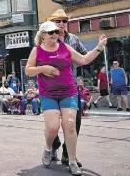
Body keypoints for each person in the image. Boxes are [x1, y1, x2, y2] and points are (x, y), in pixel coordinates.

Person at [25, 21, 106, 175]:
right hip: (48, 93)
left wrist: (99, 47)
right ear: (42, 35)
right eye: (51, 32)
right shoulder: (37, 51)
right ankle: (48, 148)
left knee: (69, 125)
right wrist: (43, 68)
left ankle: (72, 160)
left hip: (69, 91)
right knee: (53, 127)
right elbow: (28, 70)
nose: (55, 34)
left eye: (56, 32)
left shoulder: (64, 47)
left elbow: (83, 60)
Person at [47, 9, 88, 167]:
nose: (62, 24)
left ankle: (67, 153)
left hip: (70, 87)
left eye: (64, 21)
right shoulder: (47, 40)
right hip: (51, 88)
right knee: (53, 124)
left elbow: (84, 57)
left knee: (74, 122)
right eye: (58, 21)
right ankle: (54, 144)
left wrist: (98, 47)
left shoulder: (74, 39)